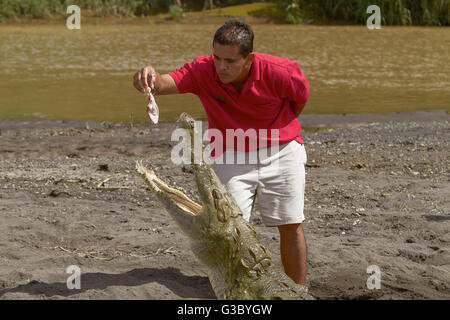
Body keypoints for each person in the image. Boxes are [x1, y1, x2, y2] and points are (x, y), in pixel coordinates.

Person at [133, 20, 310, 286]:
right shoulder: (204, 70)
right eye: (217, 58)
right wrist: (149, 78)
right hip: (231, 154)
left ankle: (296, 290)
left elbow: (300, 97)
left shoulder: (280, 71)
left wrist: (275, 130)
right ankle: (238, 289)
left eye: (230, 60)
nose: (221, 67)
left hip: (282, 150)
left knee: (290, 223)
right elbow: (164, 83)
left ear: (248, 58)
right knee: (228, 231)